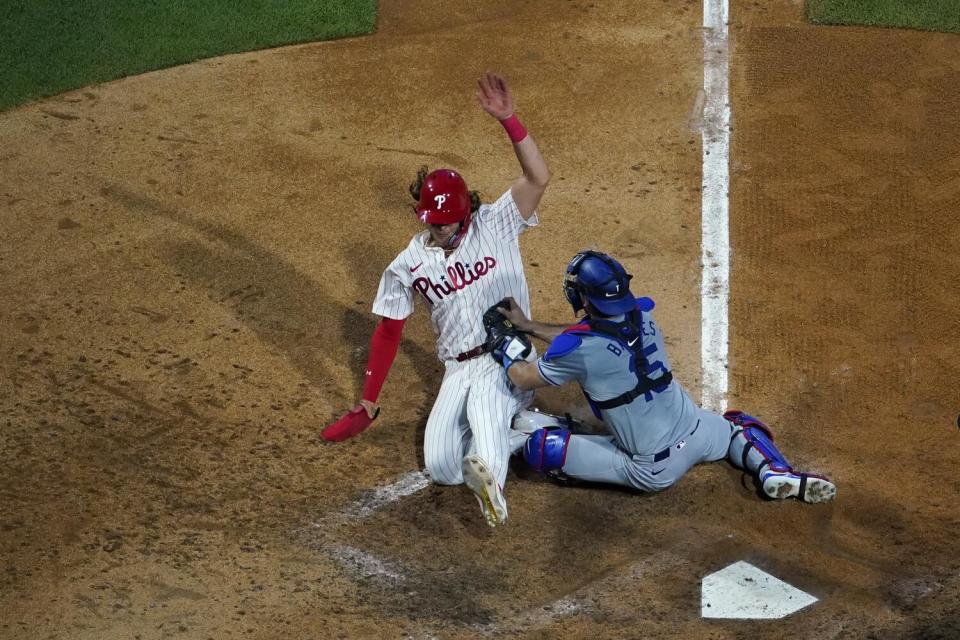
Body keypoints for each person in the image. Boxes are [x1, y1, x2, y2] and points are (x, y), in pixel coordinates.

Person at [321, 72, 551, 528]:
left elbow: (538, 176)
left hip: (505, 355)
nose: (439, 228)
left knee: (485, 414)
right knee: (442, 466)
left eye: (447, 222)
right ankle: (528, 436)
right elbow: (389, 328)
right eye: (433, 221)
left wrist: (510, 121)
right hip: (458, 366)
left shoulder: (496, 224)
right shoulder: (411, 260)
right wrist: (368, 400)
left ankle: (495, 495)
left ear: (465, 213)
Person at [488, 250, 837, 503]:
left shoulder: (579, 349)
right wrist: (530, 327)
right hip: (698, 430)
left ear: (584, 298)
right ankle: (773, 469)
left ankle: (547, 435)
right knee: (737, 426)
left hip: (651, 468)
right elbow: (589, 335)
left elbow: (522, 377)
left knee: (541, 449)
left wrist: (502, 344)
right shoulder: (644, 318)